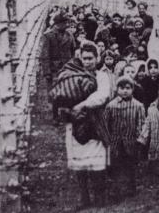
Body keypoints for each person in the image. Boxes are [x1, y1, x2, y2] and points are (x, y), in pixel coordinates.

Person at [53, 42, 112, 210]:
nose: (87, 62)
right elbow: (62, 94)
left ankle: (100, 197)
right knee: (79, 162)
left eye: (90, 58)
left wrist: (82, 104)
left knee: (97, 160)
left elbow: (102, 95)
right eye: (84, 58)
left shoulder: (101, 76)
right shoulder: (72, 75)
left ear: (97, 58)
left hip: (95, 122)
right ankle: (84, 197)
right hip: (76, 122)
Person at [104, 76, 145, 201]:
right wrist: (108, 139)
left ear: (132, 89)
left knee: (130, 166)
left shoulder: (138, 106)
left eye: (128, 88)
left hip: (131, 141)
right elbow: (106, 124)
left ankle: (131, 188)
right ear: (117, 89)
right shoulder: (111, 106)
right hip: (115, 142)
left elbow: (141, 123)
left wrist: (140, 139)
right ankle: (115, 190)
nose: (125, 91)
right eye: (121, 88)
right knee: (115, 166)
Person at [40, 12, 76, 121]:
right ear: (57, 24)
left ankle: (65, 115)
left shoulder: (69, 35)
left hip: (67, 68)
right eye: (64, 23)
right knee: (55, 94)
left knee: (68, 92)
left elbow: (73, 51)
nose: (66, 25)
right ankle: (55, 116)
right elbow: (45, 55)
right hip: (54, 69)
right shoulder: (48, 35)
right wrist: (47, 72)